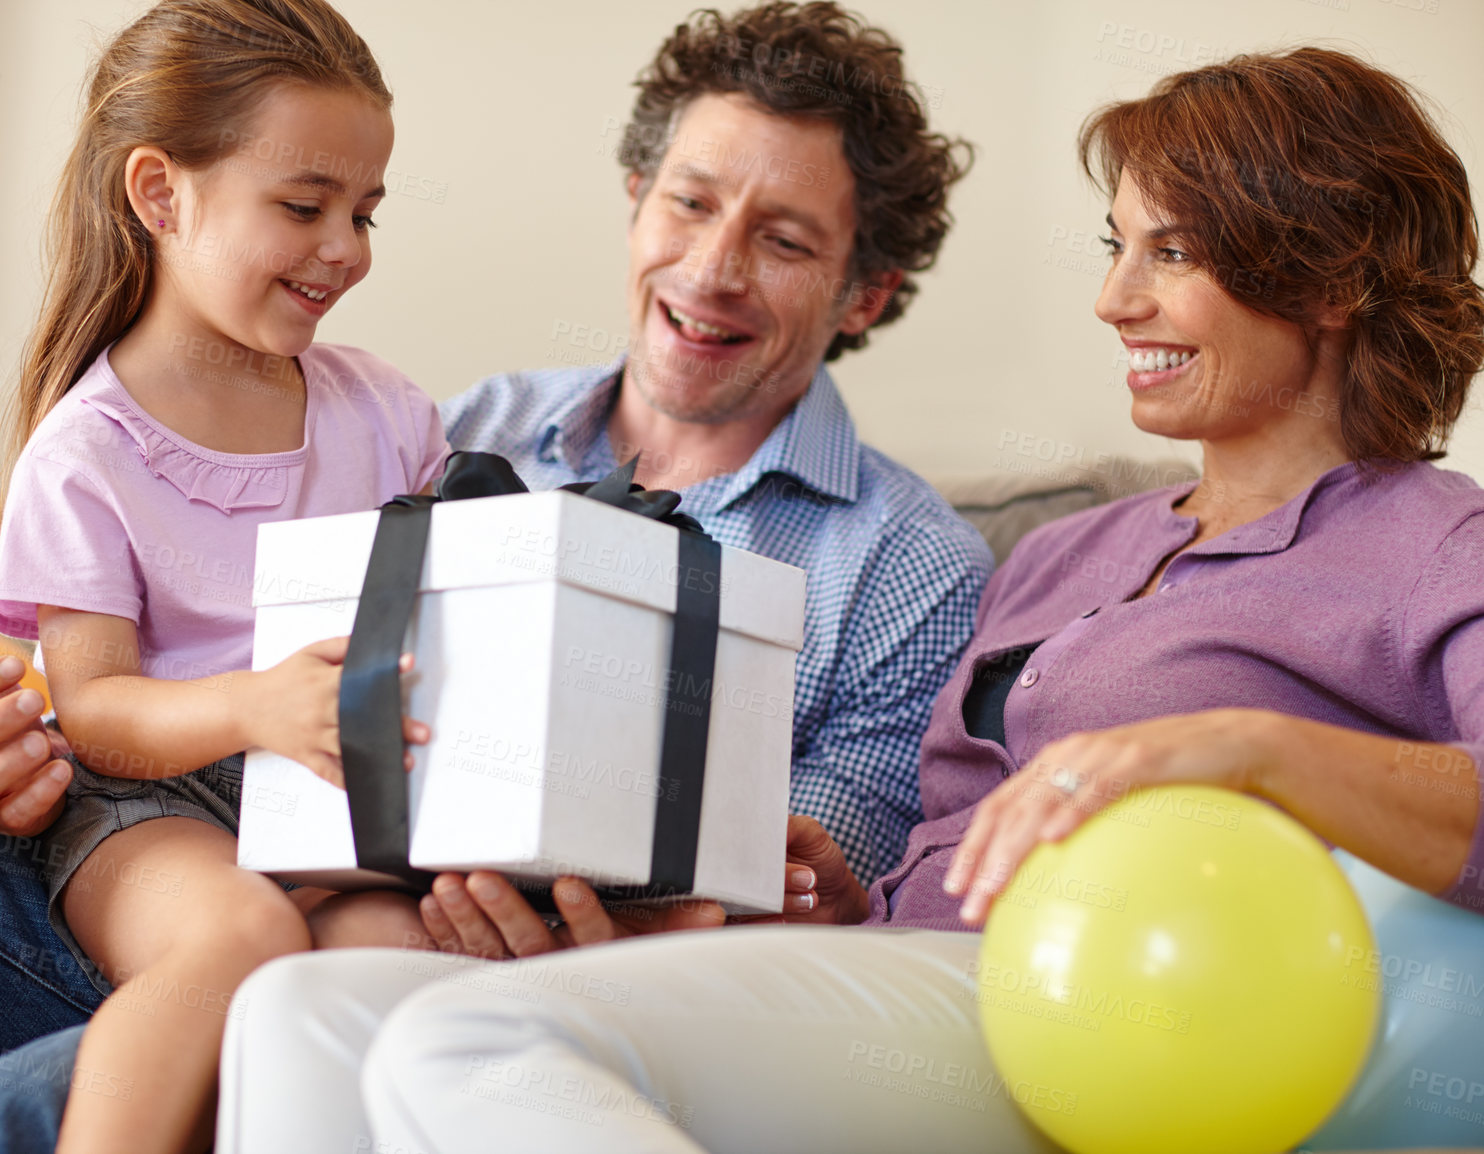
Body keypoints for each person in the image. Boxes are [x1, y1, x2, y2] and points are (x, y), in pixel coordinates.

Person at [204, 45, 1484, 1154]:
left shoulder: (1436, 543)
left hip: (1108, 1019)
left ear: (1328, 277)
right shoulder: (1065, 556)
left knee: (476, 1040)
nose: (1114, 298)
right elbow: (946, 841)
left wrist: (1247, 751)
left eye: (1174, 252)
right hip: (921, 973)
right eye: (1117, 247)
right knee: (297, 1011)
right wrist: (841, 886)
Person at [0, 2, 976, 1149]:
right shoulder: (455, 418)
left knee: (99, 1066)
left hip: (437, 919)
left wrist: (703, 890)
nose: (711, 267)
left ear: (864, 287)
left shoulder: (900, 565)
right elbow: (122, 687)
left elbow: (827, 886)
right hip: (181, 841)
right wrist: (23, 730)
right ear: (635, 200)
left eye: (782, 239)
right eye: (691, 202)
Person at [0, 1, 456, 1151]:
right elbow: (91, 707)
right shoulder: (86, 451)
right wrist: (252, 705)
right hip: (151, 805)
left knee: (393, 953)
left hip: (339, 810)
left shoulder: (384, 412)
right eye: (303, 207)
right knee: (238, 934)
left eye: (363, 211)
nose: (345, 246)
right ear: (161, 195)